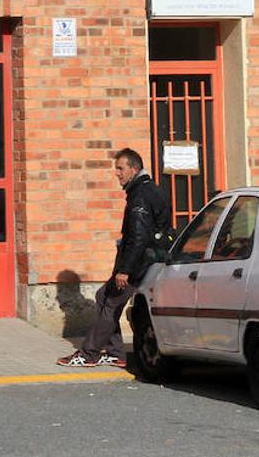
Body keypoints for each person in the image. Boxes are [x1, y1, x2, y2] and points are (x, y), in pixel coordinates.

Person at [57, 147, 172, 368]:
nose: (117, 173)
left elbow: (138, 237)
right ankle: (116, 353)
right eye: (116, 169)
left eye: (120, 168)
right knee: (103, 295)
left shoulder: (139, 196)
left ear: (134, 169)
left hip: (139, 263)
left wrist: (125, 270)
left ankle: (88, 353)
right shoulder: (150, 189)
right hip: (148, 258)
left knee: (110, 302)